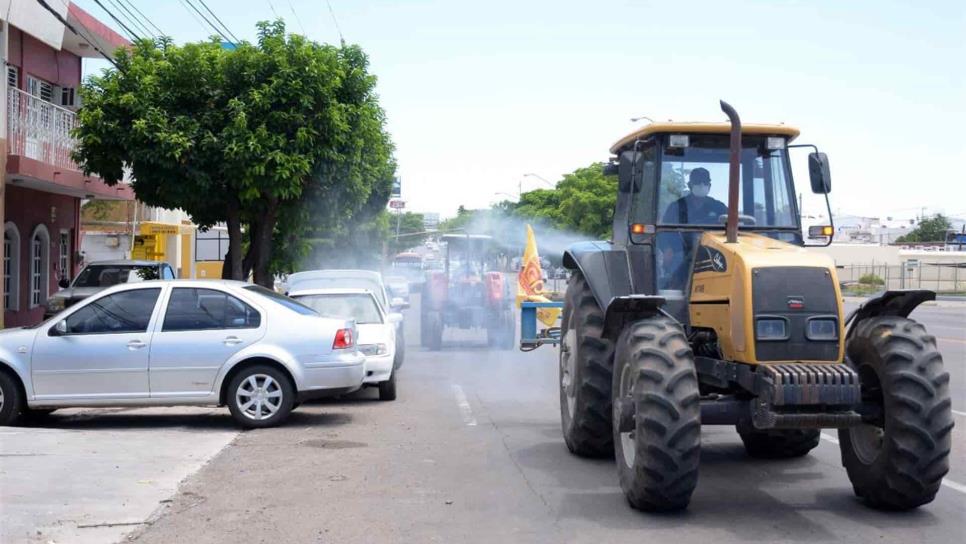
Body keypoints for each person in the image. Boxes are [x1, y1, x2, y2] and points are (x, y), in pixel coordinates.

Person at [662, 167, 728, 225]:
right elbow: (665, 234)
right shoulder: (676, 207)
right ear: (689, 185)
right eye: (697, 181)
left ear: (709, 186)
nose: (701, 185)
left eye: (705, 182)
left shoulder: (719, 207)